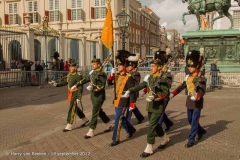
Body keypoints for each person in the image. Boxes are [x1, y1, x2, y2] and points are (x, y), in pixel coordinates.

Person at [126, 58, 170, 158]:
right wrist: (131, 90)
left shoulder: (163, 78)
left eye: (153, 66)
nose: (151, 68)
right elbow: (142, 85)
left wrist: (155, 97)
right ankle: (164, 138)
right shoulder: (150, 77)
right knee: (154, 125)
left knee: (151, 127)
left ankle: (149, 147)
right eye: (151, 66)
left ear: (160, 67)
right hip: (150, 106)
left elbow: (165, 93)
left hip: (158, 106)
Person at [169, 50, 207, 148]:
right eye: (189, 66)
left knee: (194, 121)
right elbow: (182, 86)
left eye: (192, 66)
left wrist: (198, 96)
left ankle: (191, 139)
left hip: (197, 102)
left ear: (196, 66)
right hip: (189, 101)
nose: (190, 68)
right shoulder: (188, 76)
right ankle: (201, 131)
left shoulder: (200, 76)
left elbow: (202, 90)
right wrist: (173, 93)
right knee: (190, 120)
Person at [72, 58, 112, 139]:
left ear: (98, 65)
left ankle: (91, 130)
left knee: (95, 113)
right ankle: (109, 124)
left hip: (99, 96)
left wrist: (93, 87)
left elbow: (102, 85)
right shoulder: (93, 72)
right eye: (92, 64)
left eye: (94, 64)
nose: (92, 66)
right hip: (94, 96)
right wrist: (77, 84)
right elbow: (86, 79)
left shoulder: (102, 73)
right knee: (99, 111)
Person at [108, 50, 137, 146]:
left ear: (124, 66)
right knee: (121, 117)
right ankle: (131, 129)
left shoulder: (128, 77)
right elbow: (108, 84)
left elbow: (133, 90)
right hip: (116, 99)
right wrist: (111, 75)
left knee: (117, 119)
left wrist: (132, 103)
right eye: (118, 65)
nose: (118, 67)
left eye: (120, 65)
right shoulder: (116, 75)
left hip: (124, 100)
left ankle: (115, 138)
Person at [51, 62, 89, 132]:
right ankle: (85, 119)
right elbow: (65, 82)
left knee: (71, 108)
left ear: (75, 68)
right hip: (70, 93)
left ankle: (69, 125)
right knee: (75, 109)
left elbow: (80, 87)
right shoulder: (70, 75)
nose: (70, 68)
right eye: (70, 67)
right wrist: (56, 84)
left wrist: (79, 97)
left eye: (72, 67)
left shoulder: (78, 76)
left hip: (75, 94)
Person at [126, 57, 145, 124]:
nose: (128, 67)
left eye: (130, 66)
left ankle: (127, 121)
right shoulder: (129, 73)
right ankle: (140, 117)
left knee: (130, 106)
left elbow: (137, 84)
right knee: (133, 107)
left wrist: (132, 75)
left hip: (134, 92)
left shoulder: (136, 74)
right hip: (129, 92)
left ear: (133, 66)